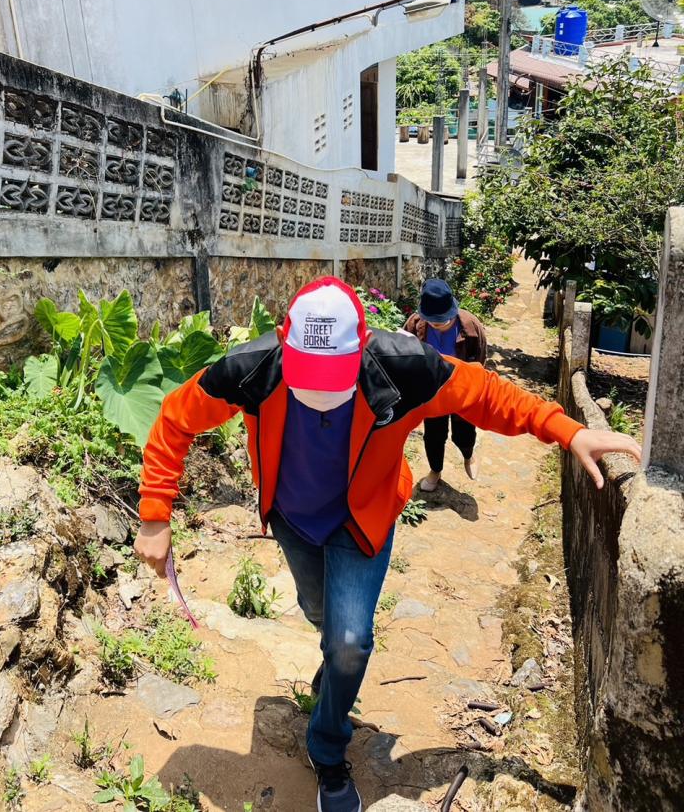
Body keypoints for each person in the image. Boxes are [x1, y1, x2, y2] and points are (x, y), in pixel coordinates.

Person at [133, 276, 640, 812]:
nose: (320, 395)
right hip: (293, 518)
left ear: (361, 349)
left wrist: (569, 431)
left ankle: (327, 750)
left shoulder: (404, 367)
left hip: (363, 519)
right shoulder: (253, 368)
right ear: (285, 344)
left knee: (350, 641)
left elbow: (487, 394)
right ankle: (333, 667)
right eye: (308, 377)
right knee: (320, 615)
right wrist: (154, 516)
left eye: (333, 379)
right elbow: (175, 418)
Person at [404, 278, 487, 492]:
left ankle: (468, 454)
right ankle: (435, 471)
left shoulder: (470, 327)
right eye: (432, 320)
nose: (437, 324)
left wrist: (472, 392)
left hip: (461, 391)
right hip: (433, 393)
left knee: (464, 431)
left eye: (442, 320)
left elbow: (480, 363)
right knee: (433, 435)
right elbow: (406, 356)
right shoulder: (414, 325)